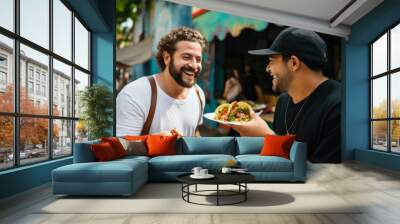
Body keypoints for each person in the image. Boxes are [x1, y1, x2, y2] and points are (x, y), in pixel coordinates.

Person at [230, 27, 341, 163]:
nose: (267, 68)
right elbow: (279, 160)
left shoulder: (339, 107)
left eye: (271, 60)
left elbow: (322, 175)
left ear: (293, 63)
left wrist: (267, 136)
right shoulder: (283, 101)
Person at [116, 27, 206, 137]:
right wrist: (157, 141)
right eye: (186, 57)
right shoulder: (135, 94)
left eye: (198, 59)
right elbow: (122, 147)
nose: (194, 65)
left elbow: (194, 133)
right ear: (167, 58)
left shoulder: (198, 94)